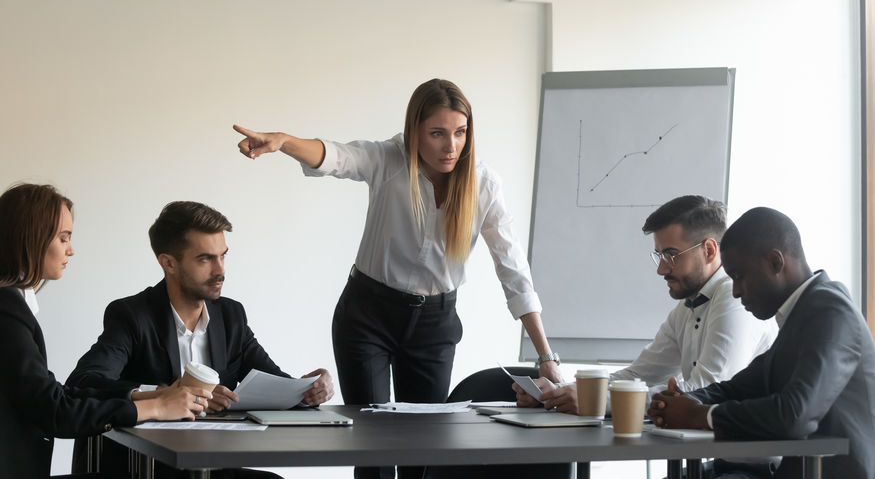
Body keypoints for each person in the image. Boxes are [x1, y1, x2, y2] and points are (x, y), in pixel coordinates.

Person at [233, 78, 562, 478]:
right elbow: (337, 156)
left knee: (423, 452)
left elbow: (513, 269)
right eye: (437, 133)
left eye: (460, 133)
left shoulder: (483, 183)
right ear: (414, 132)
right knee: (373, 447)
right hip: (368, 315)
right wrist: (284, 141)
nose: (451, 146)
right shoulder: (388, 160)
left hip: (435, 325)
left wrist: (546, 357)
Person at [0, 184, 207, 479]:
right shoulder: (1, 306)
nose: (70, 250)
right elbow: (54, 412)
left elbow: (54, 394)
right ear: (29, 238)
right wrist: (155, 409)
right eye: (63, 238)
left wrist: (141, 398)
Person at [66, 201, 334, 478]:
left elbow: (274, 383)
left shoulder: (231, 315)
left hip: (213, 464)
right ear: (168, 263)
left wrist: (308, 390)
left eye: (223, 256)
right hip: (147, 467)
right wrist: (164, 392)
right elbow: (84, 382)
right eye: (205, 259)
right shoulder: (132, 315)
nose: (221, 271)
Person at [648, 207, 875, 479]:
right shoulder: (799, 316)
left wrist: (699, 415)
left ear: (776, 262)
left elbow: (794, 416)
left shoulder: (830, 310)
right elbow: (739, 388)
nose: (735, 291)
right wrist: (681, 402)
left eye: (739, 276)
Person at [514, 195, 777, 413]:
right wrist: (559, 393)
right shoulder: (685, 310)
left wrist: (597, 402)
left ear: (709, 250)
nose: (661, 269)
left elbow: (706, 390)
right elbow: (637, 376)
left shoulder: (735, 298)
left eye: (671, 255)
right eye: (659, 256)